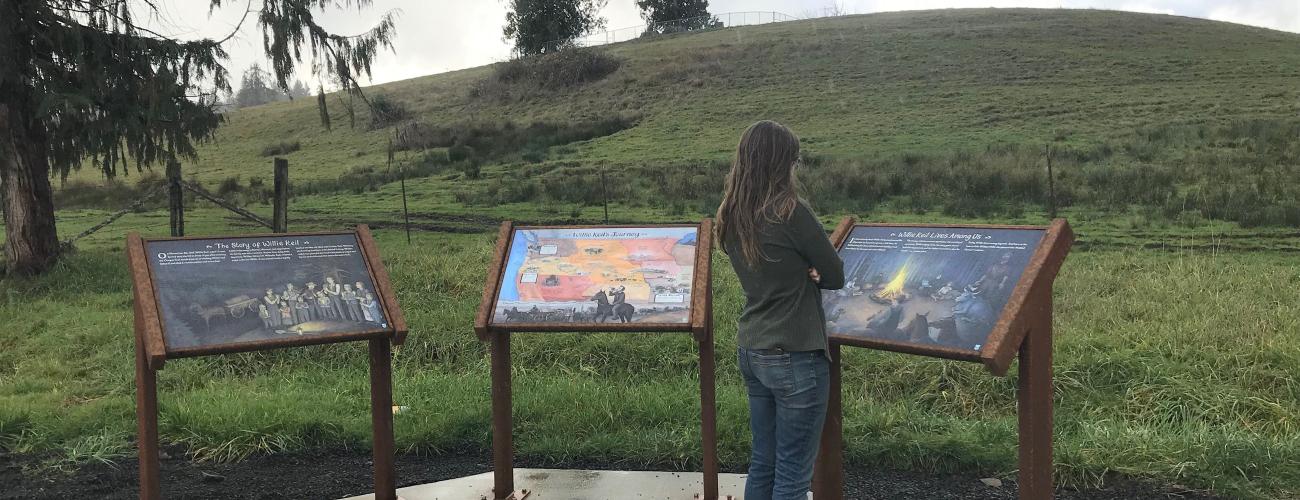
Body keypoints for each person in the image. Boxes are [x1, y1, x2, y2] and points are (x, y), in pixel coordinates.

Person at [715, 120, 844, 500]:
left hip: (753, 350)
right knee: (791, 476)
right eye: (794, 159)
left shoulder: (731, 214)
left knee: (764, 464)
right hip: (797, 353)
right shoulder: (791, 211)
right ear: (783, 162)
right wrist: (812, 273)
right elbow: (834, 273)